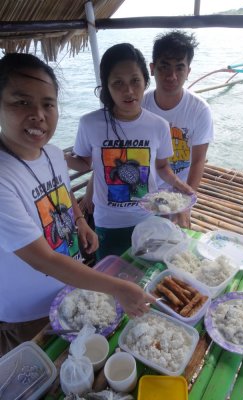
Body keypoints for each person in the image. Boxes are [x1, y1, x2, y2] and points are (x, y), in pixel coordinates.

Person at [0, 53, 154, 356]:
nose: (38, 114)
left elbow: (63, 188)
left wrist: (81, 222)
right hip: (28, 315)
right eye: (21, 102)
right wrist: (118, 288)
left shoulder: (52, 152)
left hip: (70, 292)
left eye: (47, 103)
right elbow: (44, 260)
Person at [65, 43, 193, 260]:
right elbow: (85, 163)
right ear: (106, 85)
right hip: (108, 222)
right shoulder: (90, 123)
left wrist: (181, 186)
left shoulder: (159, 125)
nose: (129, 91)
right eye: (118, 83)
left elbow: (162, 166)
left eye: (135, 80)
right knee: (114, 276)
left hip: (149, 217)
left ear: (145, 80)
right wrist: (58, 157)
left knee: (149, 273)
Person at [142, 30, 214, 228]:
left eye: (179, 68)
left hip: (179, 191)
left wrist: (185, 205)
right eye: (164, 67)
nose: (171, 76)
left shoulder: (199, 110)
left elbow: (198, 160)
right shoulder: (141, 105)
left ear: (188, 71)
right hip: (146, 190)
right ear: (152, 68)